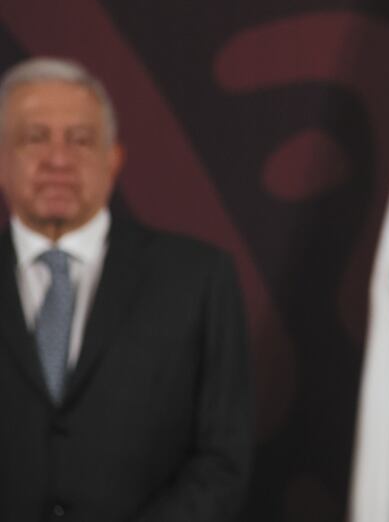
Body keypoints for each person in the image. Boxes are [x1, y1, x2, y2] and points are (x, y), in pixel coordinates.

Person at [0, 58, 252, 521]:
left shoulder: (197, 279)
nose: (58, 159)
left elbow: (223, 457)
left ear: (113, 158)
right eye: (35, 138)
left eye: (80, 140)